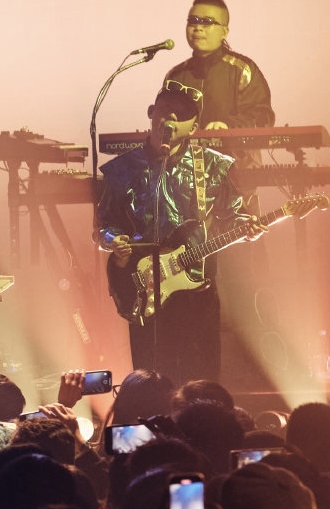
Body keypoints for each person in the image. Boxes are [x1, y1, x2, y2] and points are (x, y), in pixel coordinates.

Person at [95, 80, 262, 385]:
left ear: (194, 127)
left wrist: (246, 227)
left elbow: (230, 216)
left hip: (196, 291)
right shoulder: (121, 169)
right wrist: (112, 240)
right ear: (151, 112)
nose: (171, 117)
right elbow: (104, 225)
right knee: (150, 381)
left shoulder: (213, 165)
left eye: (182, 114)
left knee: (200, 382)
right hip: (144, 284)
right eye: (165, 109)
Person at [163, 0, 274, 131]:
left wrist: (228, 126)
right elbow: (162, 121)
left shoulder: (243, 70)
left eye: (207, 22)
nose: (198, 27)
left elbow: (263, 118)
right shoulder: (175, 76)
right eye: (193, 21)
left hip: (232, 145)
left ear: (224, 32)